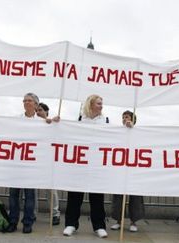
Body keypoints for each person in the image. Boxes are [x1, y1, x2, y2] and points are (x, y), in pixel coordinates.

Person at [63, 94, 108, 238]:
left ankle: (99, 226)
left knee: (97, 198)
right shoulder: (80, 120)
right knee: (75, 196)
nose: (101, 106)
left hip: (97, 165)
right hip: (80, 165)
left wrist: (127, 127)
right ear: (91, 104)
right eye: (99, 103)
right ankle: (71, 224)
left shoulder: (106, 121)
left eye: (102, 103)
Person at [7, 93, 40, 234]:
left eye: (29, 101)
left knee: (30, 195)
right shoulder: (16, 120)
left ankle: (28, 222)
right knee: (14, 194)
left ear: (36, 104)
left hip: (31, 164)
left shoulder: (42, 122)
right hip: (16, 162)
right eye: (24, 100)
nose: (26, 103)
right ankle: (13, 221)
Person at [110, 110, 145, 232]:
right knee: (118, 196)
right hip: (120, 168)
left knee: (135, 196)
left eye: (128, 117)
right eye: (123, 117)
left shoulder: (138, 132)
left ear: (133, 119)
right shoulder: (118, 132)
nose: (125, 118)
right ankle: (118, 220)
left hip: (134, 168)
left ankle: (133, 222)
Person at [36, 102, 61, 225]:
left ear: (46, 112)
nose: (38, 112)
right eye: (37, 110)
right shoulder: (32, 123)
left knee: (50, 189)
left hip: (48, 161)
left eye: (40, 110)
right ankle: (32, 213)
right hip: (34, 159)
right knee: (32, 189)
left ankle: (55, 213)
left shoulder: (52, 124)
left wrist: (55, 122)